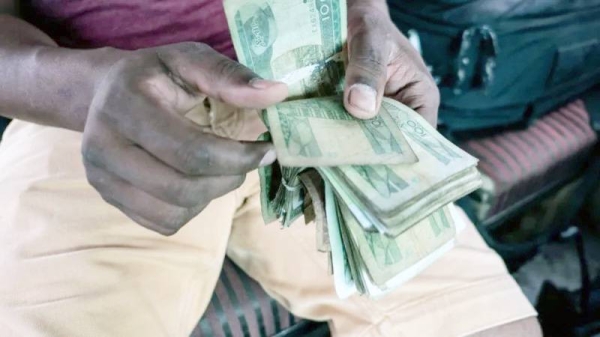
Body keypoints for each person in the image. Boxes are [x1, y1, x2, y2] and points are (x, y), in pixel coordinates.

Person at [0, 1, 542, 336]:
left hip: (318, 90)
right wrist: (91, 89)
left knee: (491, 325)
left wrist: (370, 15)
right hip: (96, 107)